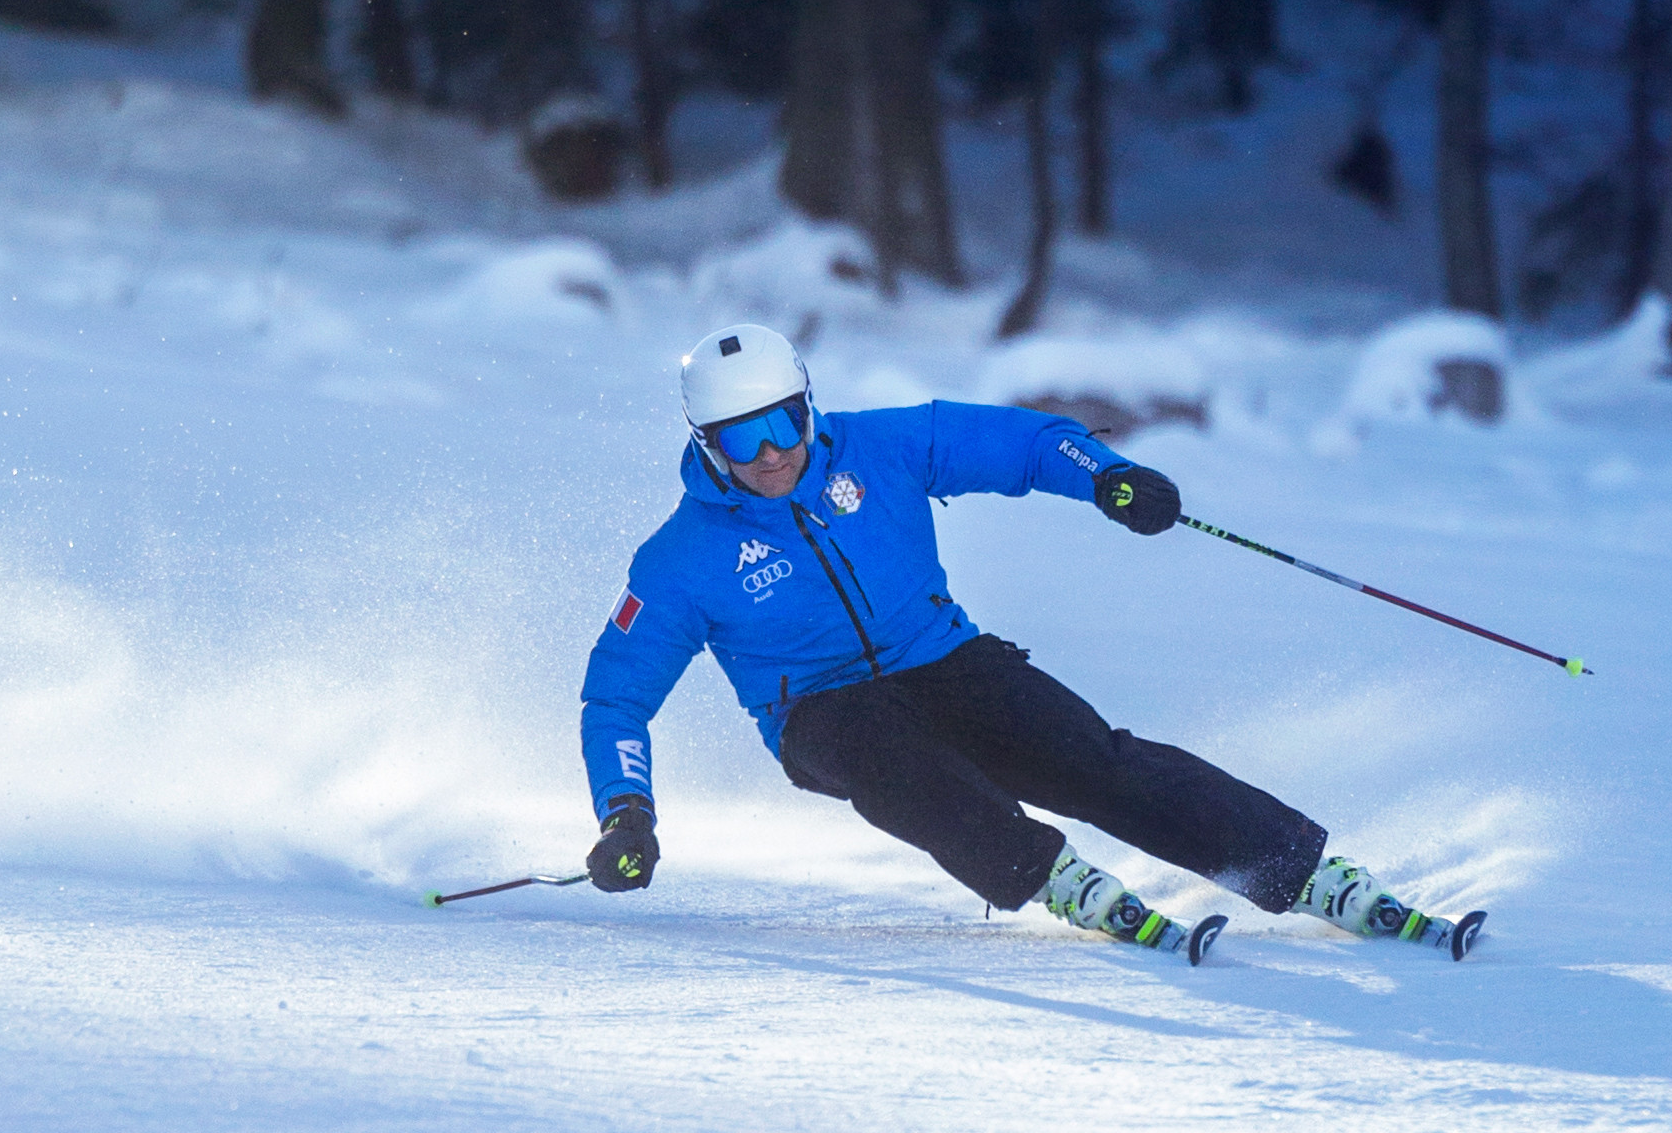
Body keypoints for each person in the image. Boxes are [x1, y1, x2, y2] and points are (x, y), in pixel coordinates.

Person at [575, 322, 1481, 962]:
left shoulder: (884, 448)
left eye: (783, 423)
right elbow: (617, 695)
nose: (771, 453)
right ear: (706, 443)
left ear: (809, 406)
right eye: (741, 438)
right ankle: (1054, 879)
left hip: (940, 657)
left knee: (1086, 759)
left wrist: (1109, 477)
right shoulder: (679, 560)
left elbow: (1024, 442)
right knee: (893, 760)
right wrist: (626, 814)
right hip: (816, 710)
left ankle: (1302, 873)